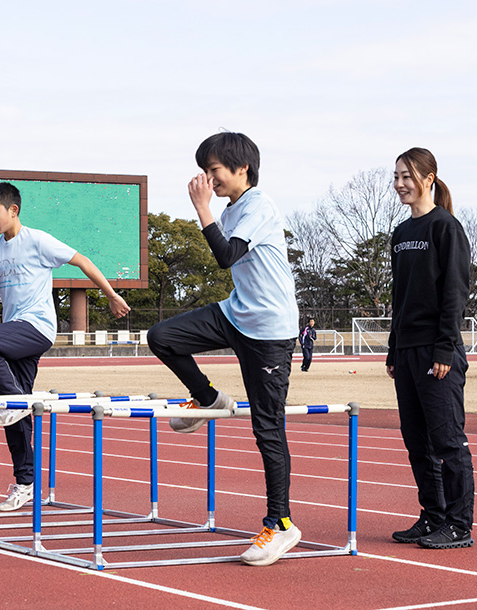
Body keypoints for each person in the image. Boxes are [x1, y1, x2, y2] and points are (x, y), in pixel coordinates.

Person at [147, 132, 301, 566]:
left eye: (214, 170)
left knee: (266, 427)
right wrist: (210, 211)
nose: (208, 178)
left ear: (241, 169)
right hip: (236, 314)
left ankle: (281, 524)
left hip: (269, 330)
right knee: (162, 337)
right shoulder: (233, 209)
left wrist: (201, 209)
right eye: (206, 170)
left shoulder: (259, 205)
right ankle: (210, 396)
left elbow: (226, 256)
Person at [0, 182, 130, 512]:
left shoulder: (38, 241)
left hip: (37, 328)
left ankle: (15, 400)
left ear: (12, 210)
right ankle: (25, 484)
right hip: (14, 334)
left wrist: (111, 293)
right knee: (16, 415)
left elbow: (82, 261)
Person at [385, 148, 475, 549]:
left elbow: (454, 294)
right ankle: (432, 516)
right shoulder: (401, 234)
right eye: (396, 176)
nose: (401, 183)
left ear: (429, 178)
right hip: (406, 351)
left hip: (437, 352)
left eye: (408, 176)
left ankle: (459, 524)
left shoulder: (446, 228)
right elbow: (399, 295)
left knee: (447, 442)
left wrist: (444, 350)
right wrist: (393, 347)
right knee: (416, 443)